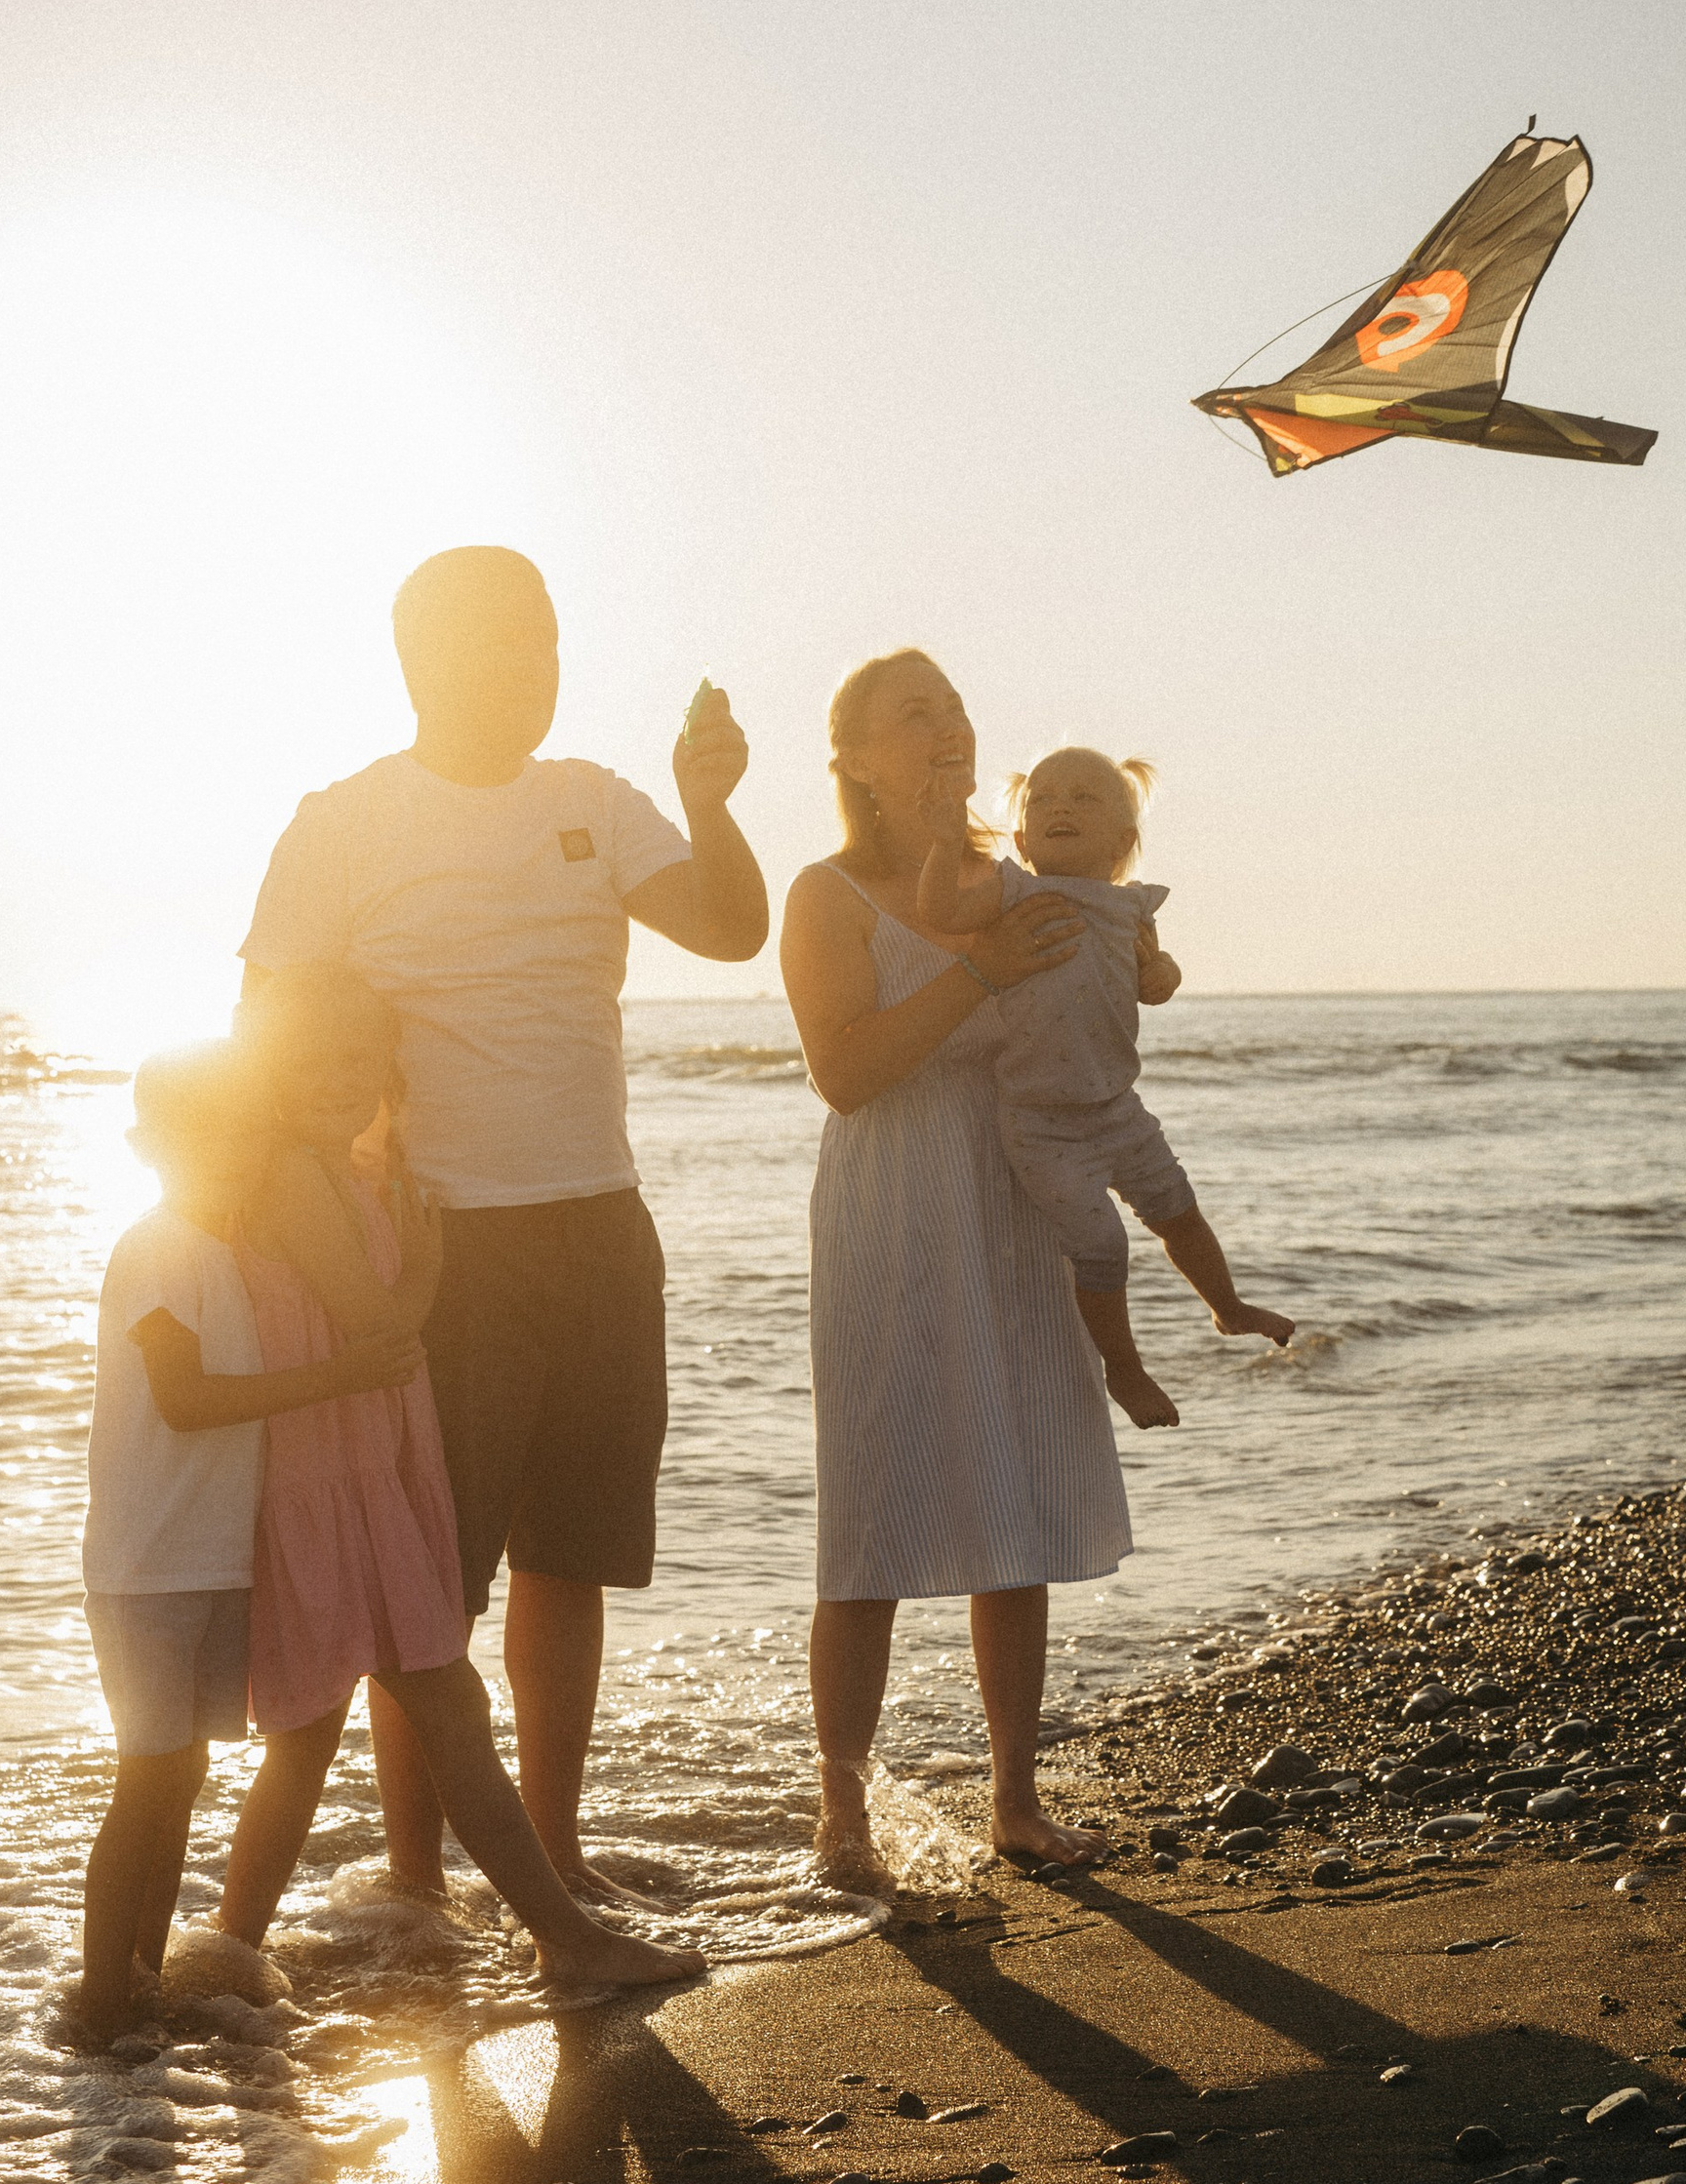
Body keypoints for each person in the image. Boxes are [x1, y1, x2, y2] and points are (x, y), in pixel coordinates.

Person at [238, 545, 766, 1903]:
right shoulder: (343, 821)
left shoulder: (594, 798)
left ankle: (554, 1852)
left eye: (544, 639)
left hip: (599, 1227)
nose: (532, 668)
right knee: (432, 1593)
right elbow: (264, 1041)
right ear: (419, 661)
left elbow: (728, 927)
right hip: (438, 1249)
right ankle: (416, 1887)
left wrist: (712, 802)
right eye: (499, 642)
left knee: (569, 1563)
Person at [781, 650, 1247, 1886]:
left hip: (1013, 1193)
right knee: (869, 1513)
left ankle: (1014, 1799)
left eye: (955, 709)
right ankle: (841, 1810)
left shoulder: (1017, 876)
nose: (945, 729)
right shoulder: (825, 893)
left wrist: (1140, 978)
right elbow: (844, 1069)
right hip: (890, 1207)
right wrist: (980, 971)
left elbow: (1105, 999)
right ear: (856, 760)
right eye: (912, 715)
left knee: (1025, 1494)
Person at [215, 967, 704, 1993]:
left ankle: (224, 1959)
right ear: (267, 1072)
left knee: (313, 1735)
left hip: (350, 1474)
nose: (339, 1077)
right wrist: (437, 1262)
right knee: (429, 1701)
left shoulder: (339, 1171)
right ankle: (562, 1937)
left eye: (359, 1058)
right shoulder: (298, 1177)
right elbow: (379, 1325)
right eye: (312, 1060)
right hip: (337, 1487)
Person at [75, 1038, 419, 2046]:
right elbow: (184, 1400)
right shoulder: (155, 1245)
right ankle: (101, 2004)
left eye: (242, 1132)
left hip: (211, 1557)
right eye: (200, 1135)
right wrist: (343, 1374)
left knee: (179, 1776)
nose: (226, 1150)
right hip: (146, 1568)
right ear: (146, 1145)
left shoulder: (222, 1249)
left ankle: (143, 1974)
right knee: (146, 1779)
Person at [915, 745, 1294, 1429]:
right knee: (1103, 1246)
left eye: (1084, 797)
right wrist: (945, 846)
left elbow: (1156, 971)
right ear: (1023, 839)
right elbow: (941, 909)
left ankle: (1228, 1306)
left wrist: (1162, 977)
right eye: (1044, 798)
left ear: (1122, 842)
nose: (1061, 805)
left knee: (1178, 1207)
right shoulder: (1015, 892)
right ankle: (1124, 1367)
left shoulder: (1131, 910)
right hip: (1041, 1123)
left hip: (1119, 1110)